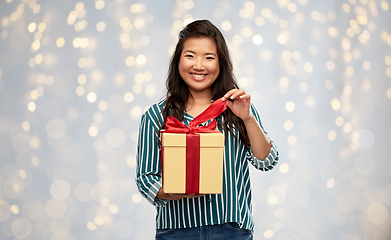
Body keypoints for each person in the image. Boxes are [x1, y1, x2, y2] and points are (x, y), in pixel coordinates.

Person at [136, 20, 279, 240]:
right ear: (178, 61)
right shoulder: (156, 116)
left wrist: (248, 118)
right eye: (190, 55)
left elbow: (266, 161)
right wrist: (172, 193)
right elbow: (146, 178)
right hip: (176, 231)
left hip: (231, 230)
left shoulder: (237, 108)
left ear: (220, 63)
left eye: (209, 57)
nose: (199, 65)